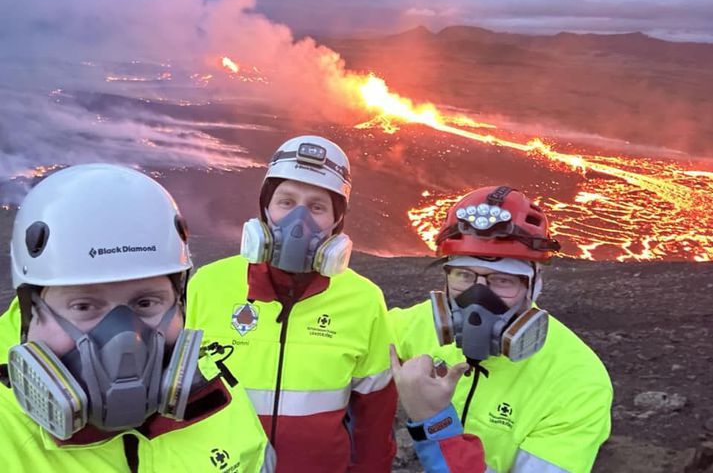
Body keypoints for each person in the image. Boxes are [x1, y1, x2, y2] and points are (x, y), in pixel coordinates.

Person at [0, 164, 274, 472]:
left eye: (146, 303)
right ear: (30, 313)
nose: (126, 340)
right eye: (84, 307)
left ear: (181, 305)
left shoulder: (220, 397)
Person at [185, 135, 397, 473]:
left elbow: (374, 420)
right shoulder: (208, 285)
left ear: (336, 222)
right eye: (286, 202)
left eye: (317, 207)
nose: (299, 220)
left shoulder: (364, 300)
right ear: (265, 211)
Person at [389, 185, 613, 473]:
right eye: (463, 275)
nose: (477, 297)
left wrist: (434, 423)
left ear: (533, 285)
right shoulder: (415, 323)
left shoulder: (578, 383)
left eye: (503, 280)